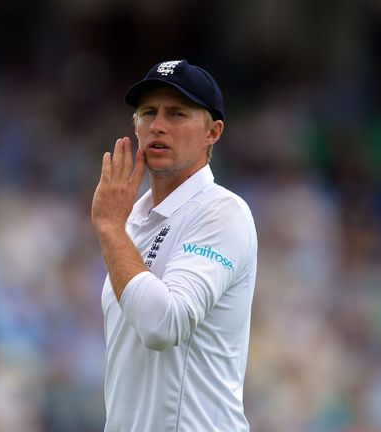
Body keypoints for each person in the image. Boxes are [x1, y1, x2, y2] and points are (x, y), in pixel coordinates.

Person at [91, 59, 258, 431]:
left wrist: (108, 227)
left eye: (177, 113)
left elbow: (162, 326)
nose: (158, 125)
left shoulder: (223, 212)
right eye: (148, 112)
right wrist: (115, 226)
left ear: (212, 132)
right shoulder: (131, 218)